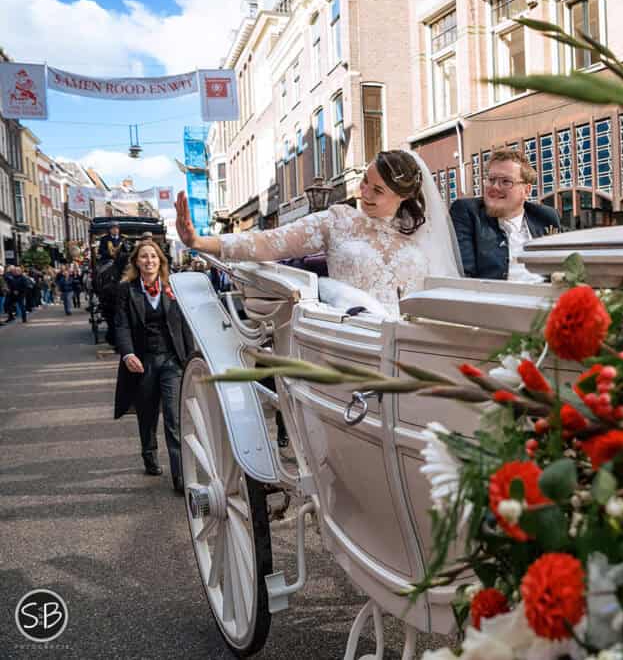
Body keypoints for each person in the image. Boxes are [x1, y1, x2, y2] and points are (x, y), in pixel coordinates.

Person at [175, 150, 461, 317]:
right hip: (350, 338)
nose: (364, 192)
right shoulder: (338, 221)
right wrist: (199, 241)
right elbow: (269, 242)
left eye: (377, 190)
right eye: (364, 182)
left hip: (409, 345)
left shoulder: (424, 231)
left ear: (403, 196)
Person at [113, 240, 194, 492]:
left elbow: (184, 324)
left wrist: (191, 358)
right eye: (144, 257)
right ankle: (149, 455)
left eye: (154, 257)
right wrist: (127, 354)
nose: (149, 261)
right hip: (143, 360)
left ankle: (180, 476)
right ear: (137, 262)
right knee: (147, 414)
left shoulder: (172, 288)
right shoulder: (127, 290)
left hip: (171, 360)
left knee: (173, 417)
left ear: (161, 261)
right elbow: (122, 324)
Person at [450, 148, 561, 281]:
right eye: (491, 180)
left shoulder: (546, 217)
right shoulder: (468, 213)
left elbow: (562, 268)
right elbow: (465, 276)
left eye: (506, 181)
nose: (495, 187)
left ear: (526, 191)